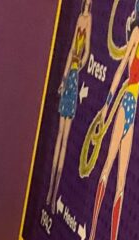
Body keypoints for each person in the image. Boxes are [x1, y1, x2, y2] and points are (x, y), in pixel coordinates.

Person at [83, 4, 139, 240]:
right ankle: (93, 236)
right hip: (123, 106)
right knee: (106, 168)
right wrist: (108, 107)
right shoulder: (135, 37)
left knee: (121, 183)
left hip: (133, 109)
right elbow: (120, 71)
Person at [46, 0, 93, 210]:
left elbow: (86, 49)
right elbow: (71, 50)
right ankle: (50, 191)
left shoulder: (89, 20)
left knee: (65, 139)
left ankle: (54, 193)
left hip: (75, 79)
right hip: (69, 80)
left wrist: (77, 66)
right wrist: (64, 79)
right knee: (58, 138)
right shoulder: (79, 19)